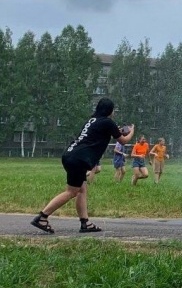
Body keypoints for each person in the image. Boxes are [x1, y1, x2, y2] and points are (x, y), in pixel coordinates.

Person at [30, 98, 134, 234]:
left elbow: (99, 133)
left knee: (82, 189)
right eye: (113, 110)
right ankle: (42, 217)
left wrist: (116, 130)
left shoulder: (92, 120)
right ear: (109, 110)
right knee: (71, 191)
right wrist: (132, 130)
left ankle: (85, 223)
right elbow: (123, 140)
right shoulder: (108, 122)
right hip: (78, 159)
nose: (114, 112)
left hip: (71, 155)